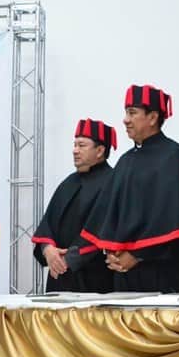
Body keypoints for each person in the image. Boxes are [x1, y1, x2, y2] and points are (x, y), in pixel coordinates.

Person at [81, 85, 179, 292]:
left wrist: (137, 255)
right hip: (124, 276)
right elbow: (109, 217)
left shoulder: (174, 157)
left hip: (164, 276)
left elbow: (174, 221)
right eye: (126, 112)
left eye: (132, 112)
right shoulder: (125, 161)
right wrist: (112, 253)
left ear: (153, 117)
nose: (125, 119)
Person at [32, 118, 116, 293]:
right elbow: (47, 224)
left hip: (95, 278)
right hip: (60, 275)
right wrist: (48, 251)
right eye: (74, 145)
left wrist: (68, 259)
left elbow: (104, 229)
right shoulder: (68, 182)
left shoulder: (113, 182)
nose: (75, 150)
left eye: (82, 145)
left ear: (100, 150)